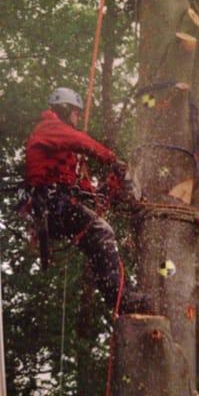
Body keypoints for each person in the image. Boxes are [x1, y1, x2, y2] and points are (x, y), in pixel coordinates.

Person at [25, 87, 149, 314]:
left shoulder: (62, 145)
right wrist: (113, 160)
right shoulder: (51, 127)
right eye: (75, 112)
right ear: (64, 110)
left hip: (58, 207)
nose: (78, 117)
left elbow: (85, 190)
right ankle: (121, 297)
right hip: (53, 206)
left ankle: (122, 296)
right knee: (103, 233)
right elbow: (83, 141)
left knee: (97, 245)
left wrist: (110, 186)